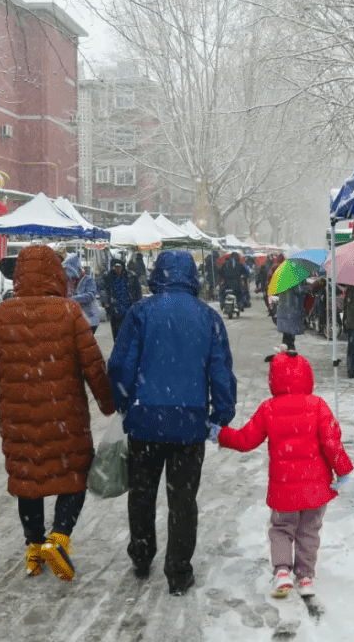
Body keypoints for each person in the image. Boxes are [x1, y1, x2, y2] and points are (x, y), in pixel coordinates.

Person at [0, 245, 117, 582]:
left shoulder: (0, 315)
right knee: (75, 474)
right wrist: (108, 404)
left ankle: (34, 549)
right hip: (64, 415)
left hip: (17, 418)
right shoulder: (69, 312)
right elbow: (93, 365)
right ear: (55, 274)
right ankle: (59, 536)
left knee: (28, 481)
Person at [107, 250, 237, 596]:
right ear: (192, 276)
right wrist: (221, 414)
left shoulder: (141, 313)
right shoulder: (207, 317)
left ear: (157, 274)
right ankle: (178, 571)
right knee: (182, 500)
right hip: (189, 422)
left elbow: (121, 366)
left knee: (142, 493)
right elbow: (220, 370)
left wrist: (122, 403)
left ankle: (142, 552)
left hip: (145, 419)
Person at [210, 348, 354, 598]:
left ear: (273, 379)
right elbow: (332, 442)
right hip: (315, 489)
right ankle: (306, 576)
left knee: (282, 529)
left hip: (284, 488)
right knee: (309, 530)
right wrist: (343, 471)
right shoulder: (318, 406)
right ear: (307, 376)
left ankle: (282, 572)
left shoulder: (269, 408)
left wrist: (220, 434)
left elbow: (246, 440)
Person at [100, 258, 142, 340]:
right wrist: (105, 302)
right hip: (114, 309)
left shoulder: (131, 276)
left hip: (128, 307)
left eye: (119, 267)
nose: (117, 269)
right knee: (116, 332)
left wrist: (138, 304)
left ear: (123, 267)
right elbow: (102, 290)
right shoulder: (107, 276)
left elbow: (138, 291)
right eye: (115, 267)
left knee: (129, 331)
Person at [63, 254, 101, 334]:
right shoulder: (70, 281)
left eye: (69, 269)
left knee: (85, 342)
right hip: (77, 318)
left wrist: (73, 299)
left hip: (90, 317)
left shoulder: (88, 279)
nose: (67, 272)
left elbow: (90, 295)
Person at [276, 280, 307, 350]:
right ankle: (290, 355)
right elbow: (300, 291)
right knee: (290, 337)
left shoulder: (282, 279)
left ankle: (285, 354)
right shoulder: (295, 280)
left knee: (286, 335)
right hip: (292, 310)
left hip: (284, 309)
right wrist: (307, 287)